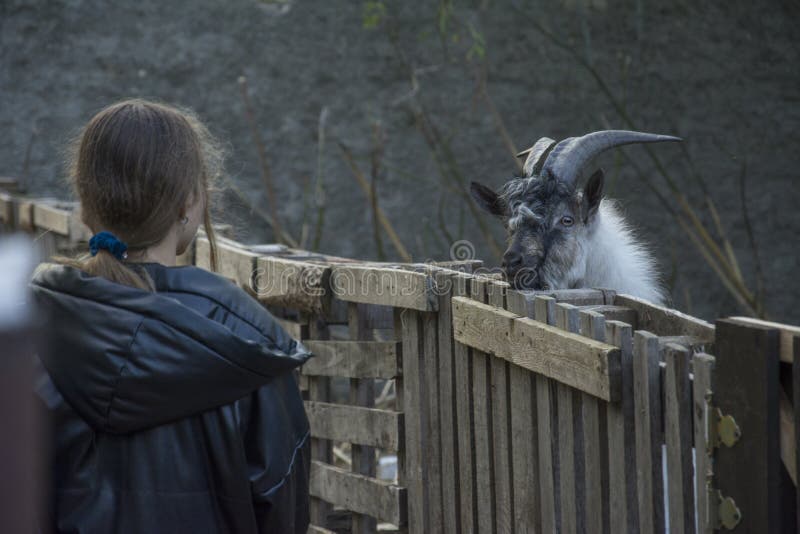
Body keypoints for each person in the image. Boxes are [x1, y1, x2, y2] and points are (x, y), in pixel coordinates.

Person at [30, 99, 312, 533]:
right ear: (189, 202)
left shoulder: (28, 336)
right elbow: (281, 510)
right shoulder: (247, 343)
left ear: (85, 206)